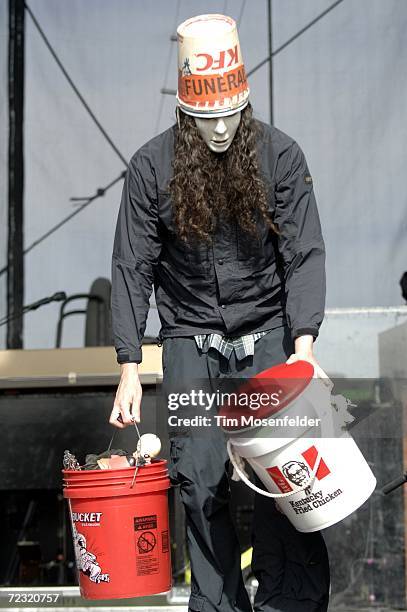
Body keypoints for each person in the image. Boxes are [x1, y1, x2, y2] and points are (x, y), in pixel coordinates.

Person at [110, 13, 330, 612]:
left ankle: (293, 605)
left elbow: (304, 252)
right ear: (185, 112)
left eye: (230, 115)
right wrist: (130, 365)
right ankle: (217, 606)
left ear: (245, 104)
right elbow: (132, 265)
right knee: (199, 482)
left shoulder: (280, 156)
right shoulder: (151, 168)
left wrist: (303, 347)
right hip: (188, 339)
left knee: (284, 481)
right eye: (206, 118)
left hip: (268, 336)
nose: (220, 129)